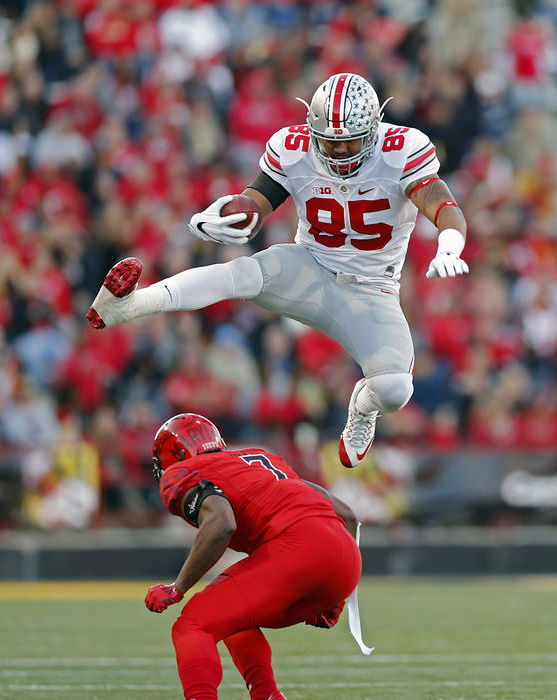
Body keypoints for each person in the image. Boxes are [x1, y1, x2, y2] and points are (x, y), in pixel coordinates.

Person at [87, 72, 469, 468]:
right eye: (330, 144)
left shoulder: (401, 150)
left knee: (393, 390)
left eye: (349, 143)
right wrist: (224, 217)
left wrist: (449, 244)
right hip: (309, 266)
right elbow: (256, 203)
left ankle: (362, 407)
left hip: (372, 290)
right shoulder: (295, 146)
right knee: (241, 274)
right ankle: (129, 305)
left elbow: (444, 208)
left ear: (373, 130)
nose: (339, 155)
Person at [144, 412, 362, 700]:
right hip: (345, 556)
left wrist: (178, 587)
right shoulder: (259, 457)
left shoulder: (182, 473)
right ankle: (267, 694)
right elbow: (346, 514)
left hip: (298, 547)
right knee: (228, 617)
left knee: (193, 624)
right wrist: (336, 597)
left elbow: (221, 524)